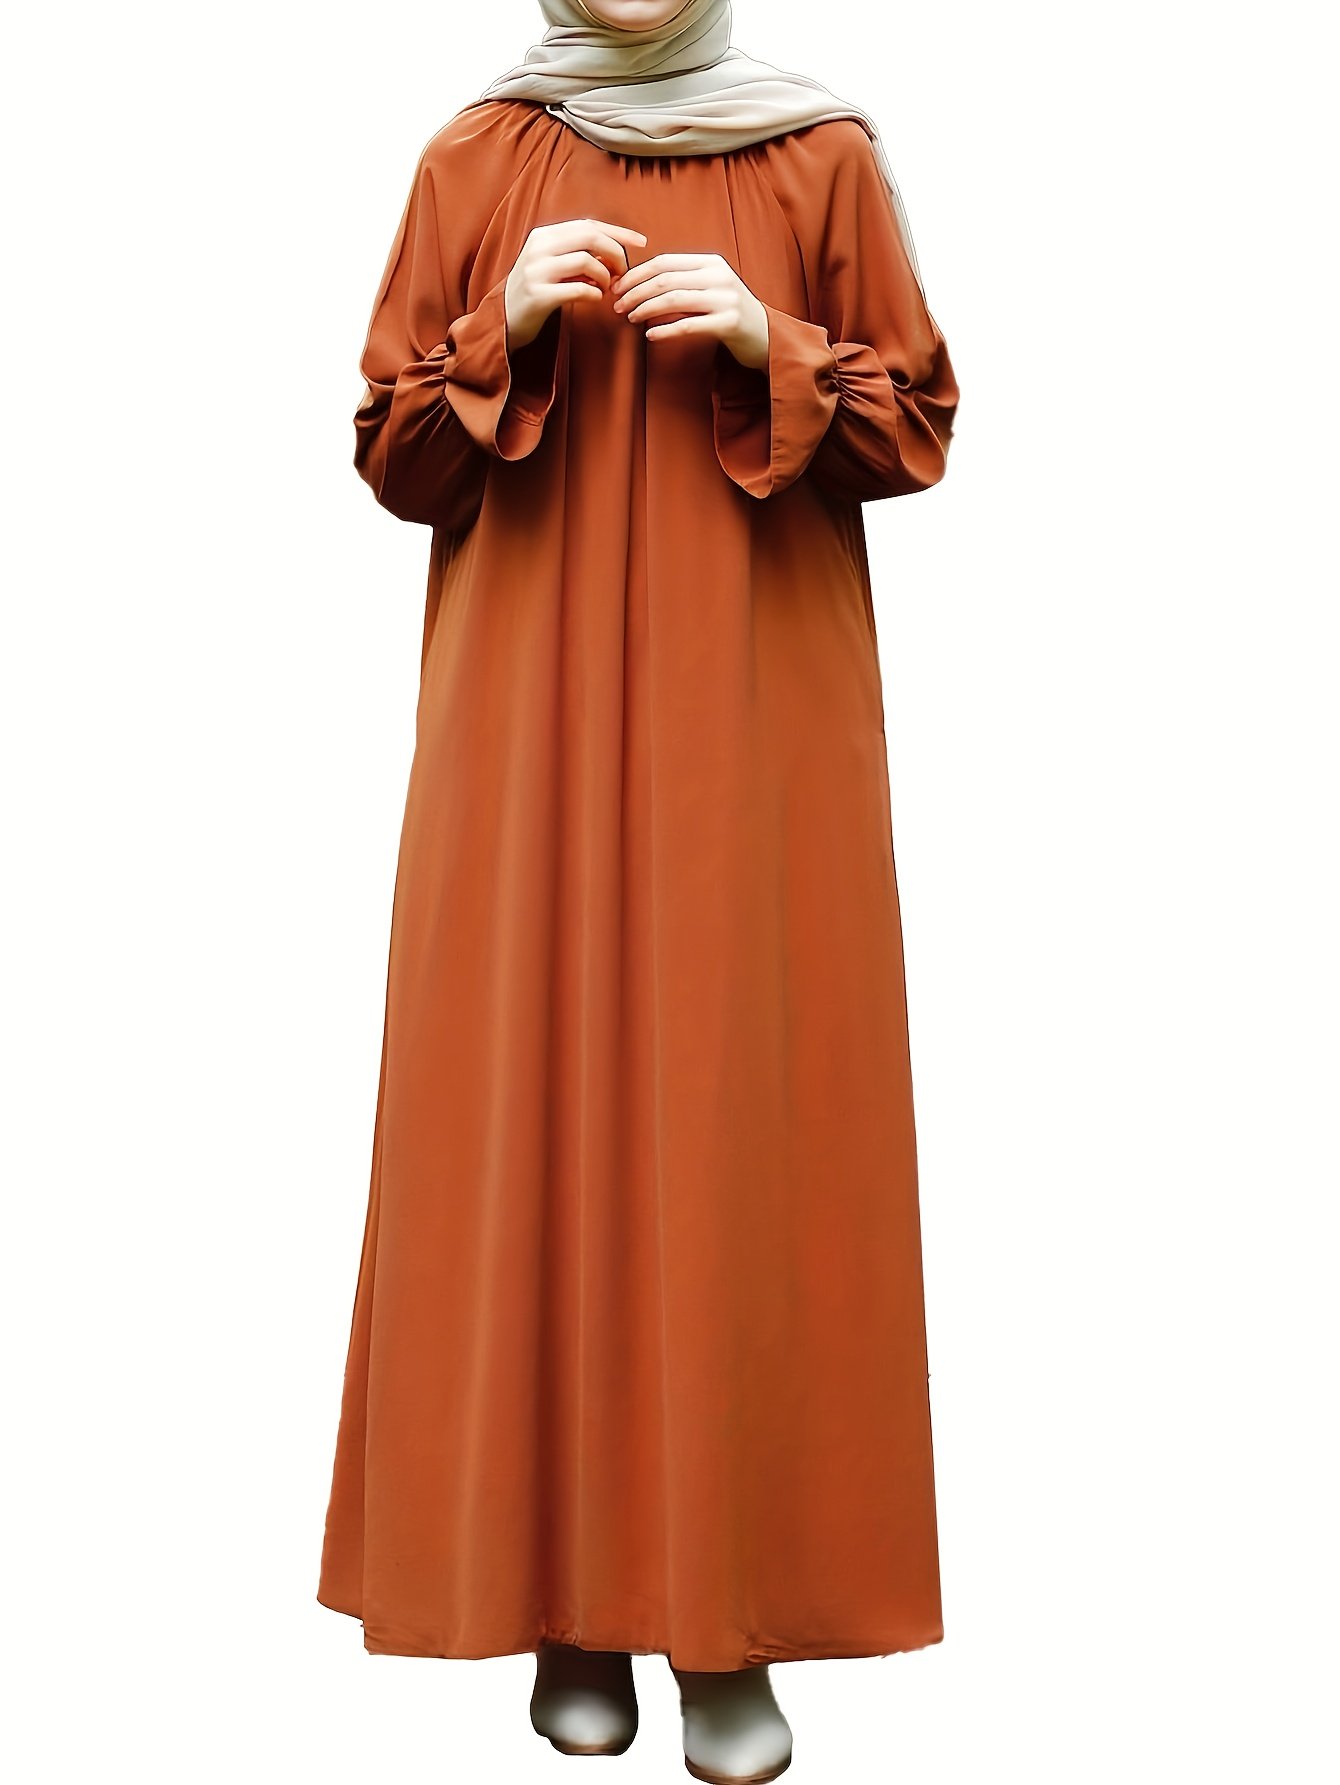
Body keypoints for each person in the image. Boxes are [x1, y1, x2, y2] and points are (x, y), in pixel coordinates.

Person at [317, 5, 959, 1780]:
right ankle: (568, 1605)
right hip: (523, 721)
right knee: (534, 1116)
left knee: (739, 1126)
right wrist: (497, 328)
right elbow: (391, 455)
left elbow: (918, 427)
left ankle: (728, 1623)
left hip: (753, 717)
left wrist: (771, 338)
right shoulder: (474, 154)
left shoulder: (820, 153)